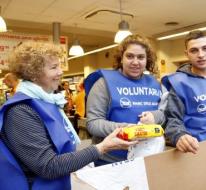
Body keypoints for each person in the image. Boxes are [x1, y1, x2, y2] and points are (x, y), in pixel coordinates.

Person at [0, 41, 136, 190]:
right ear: (33, 74)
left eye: (59, 66)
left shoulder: (47, 102)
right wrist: (101, 148)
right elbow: (48, 166)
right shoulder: (21, 111)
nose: (60, 72)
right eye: (54, 67)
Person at [86, 34, 167, 165]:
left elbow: (166, 114)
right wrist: (126, 129)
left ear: (147, 60)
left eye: (141, 57)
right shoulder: (104, 83)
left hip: (148, 158)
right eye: (130, 56)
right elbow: (93, 123)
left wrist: (155, 116)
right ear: (121, 58)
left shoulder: (156, 84)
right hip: (110, 161)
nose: (135, 62)